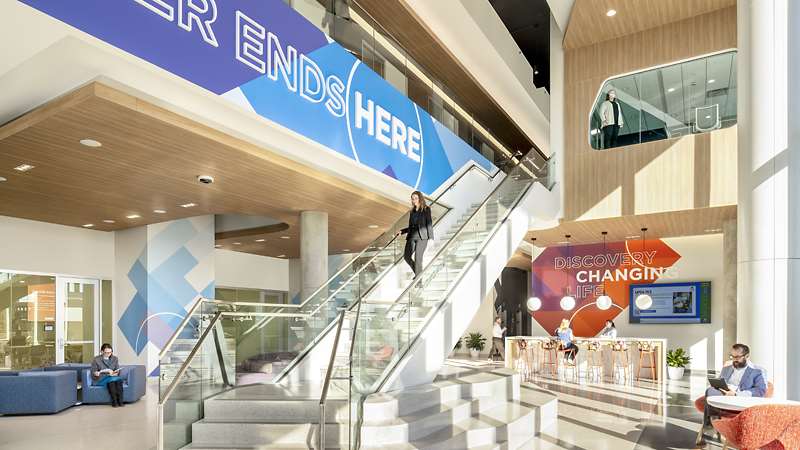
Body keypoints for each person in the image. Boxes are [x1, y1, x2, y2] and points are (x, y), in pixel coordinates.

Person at [697, 343, 767, 444]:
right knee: (710, 390)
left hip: (740, 398)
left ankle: (710, 425)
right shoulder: (727, 368)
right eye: (732, 356)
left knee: (711, 394)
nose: (734, 359)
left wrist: (735, 394)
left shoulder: (757, 371)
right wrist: (719, 386)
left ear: (747, 356)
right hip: (723, 394)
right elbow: (721, 382)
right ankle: (712, 423)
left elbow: (760, 391)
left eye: (737, 357)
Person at [397, 191, 433, 277]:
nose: (414, 200)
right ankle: (419, 274)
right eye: (412, 199)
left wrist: (431, 238)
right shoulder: (412, 211)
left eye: (416, 198)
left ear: (420, 198)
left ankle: (418, 281)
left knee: (418, 258)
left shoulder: (426, 209)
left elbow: (429, 224)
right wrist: (402, 231)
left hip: (422, 237)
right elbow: (411, 226)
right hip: (412, 237)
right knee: (406, 256)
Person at [91, 343, 125, 407]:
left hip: (112, 377)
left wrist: (115, 373)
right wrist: (97, 373)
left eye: (110, 352)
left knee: (118, 380)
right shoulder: (96, 359)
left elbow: (117, 369)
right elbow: (94, 372)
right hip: (100, 379)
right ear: (102, 351)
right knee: (112, 381)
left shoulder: (115, 358)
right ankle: (114, 401)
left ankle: (120, 401)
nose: (109, 354)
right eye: (106, 352)